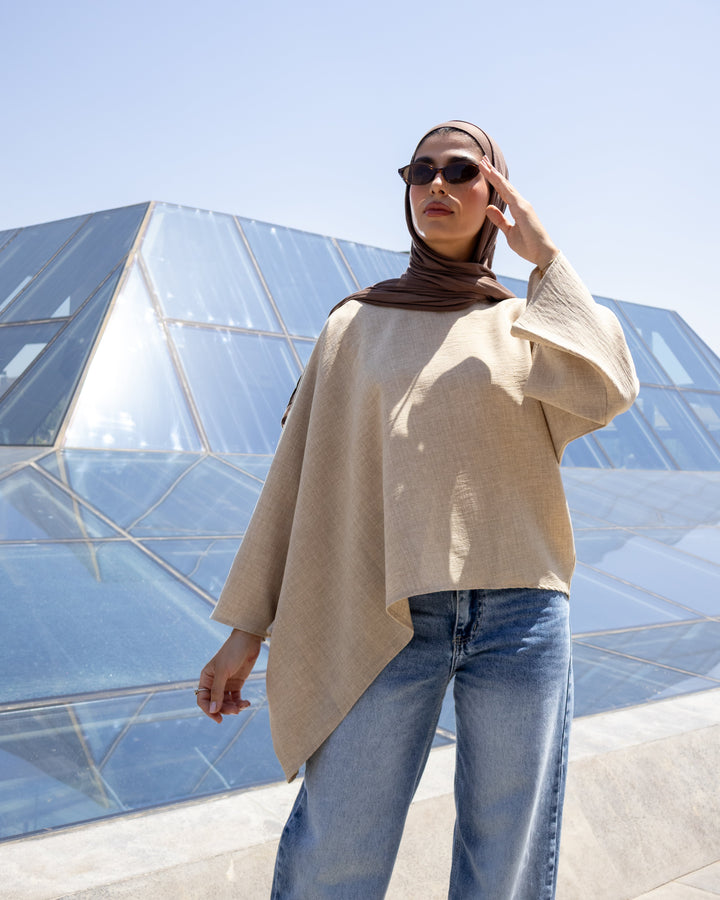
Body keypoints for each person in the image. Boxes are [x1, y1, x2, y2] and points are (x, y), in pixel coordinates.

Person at [197, 120, 639, 899]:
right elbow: (297, 482)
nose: (437, 183)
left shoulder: (525, 322)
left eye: (462, 170)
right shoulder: (354, 325)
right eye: (420, 170)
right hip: (383, 603)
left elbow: (611, 384)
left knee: (504, 858)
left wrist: (547, 259)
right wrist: (246, 631)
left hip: (523, 618)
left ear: (495, 194)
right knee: (335, 847)